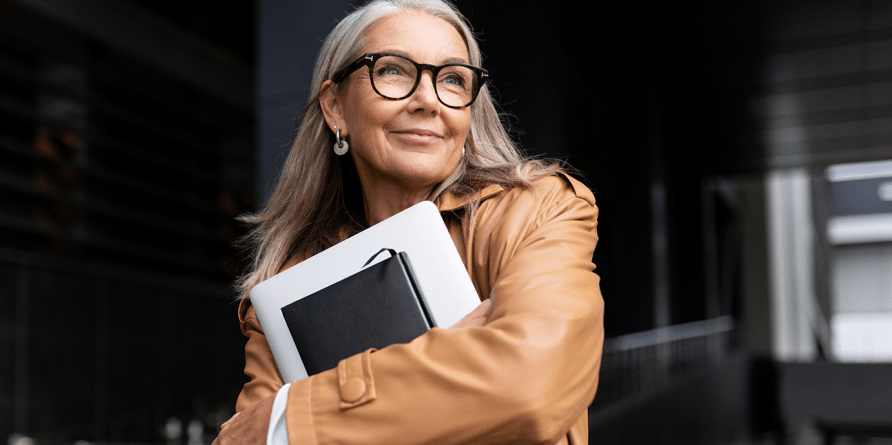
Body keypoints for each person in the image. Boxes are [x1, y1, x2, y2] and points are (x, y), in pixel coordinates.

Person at [215, 0, 603, 443]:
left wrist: (293, 415)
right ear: (335, 107)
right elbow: (245, 437)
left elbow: (532, 387)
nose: (428, 100)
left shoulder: (539, 209)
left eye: (453, 79)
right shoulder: (286, 288)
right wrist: (458, 351)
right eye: (393, 71)